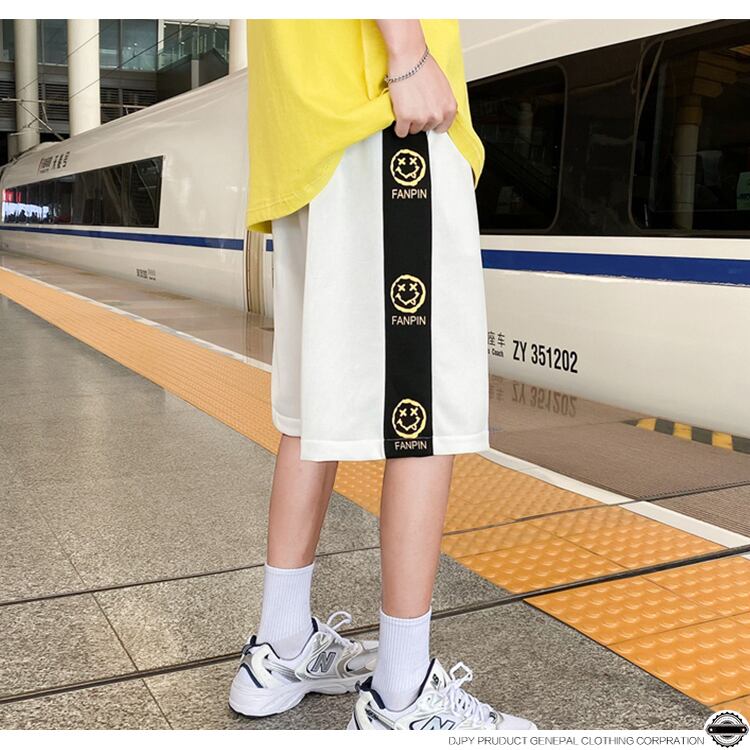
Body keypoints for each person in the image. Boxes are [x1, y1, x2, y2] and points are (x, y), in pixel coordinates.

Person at [228, 19, 537, 731]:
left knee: (311, 408)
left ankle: (281, 649)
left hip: (306, 134)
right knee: (422, 413)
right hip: (383, 114)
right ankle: (402, 698)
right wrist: (408, 56)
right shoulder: (398, 76)